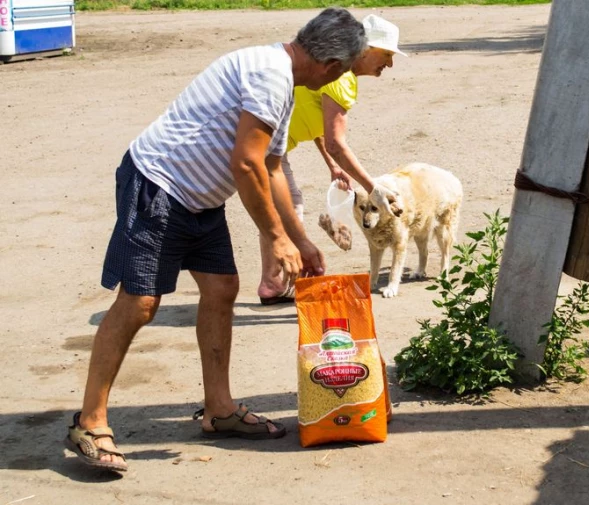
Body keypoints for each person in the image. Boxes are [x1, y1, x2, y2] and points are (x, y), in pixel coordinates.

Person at [63, 8, 367, 473]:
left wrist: (301, 241)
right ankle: (90, 421)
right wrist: (275, 238)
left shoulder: (281, 76)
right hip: (160, 184)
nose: (338, 78)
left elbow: (269, 166)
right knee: (140, 303)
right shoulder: (269, 76)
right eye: (343, 71)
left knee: (222, 289)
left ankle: (219, 410)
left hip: (200, 198)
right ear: (331, 65)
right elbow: (246, 164)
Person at [257, 14, 407, 305]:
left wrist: (332, 164)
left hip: (270, 143)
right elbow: (337, 142)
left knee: (285, 205)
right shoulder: (342, 79)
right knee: (289, 207)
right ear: (366, 48)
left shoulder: (336, 73)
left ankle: (274, 282)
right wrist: (372, 187)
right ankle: (275, 283)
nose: (390, 64)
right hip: (261, 143)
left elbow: (320, 129)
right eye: (386, 54)